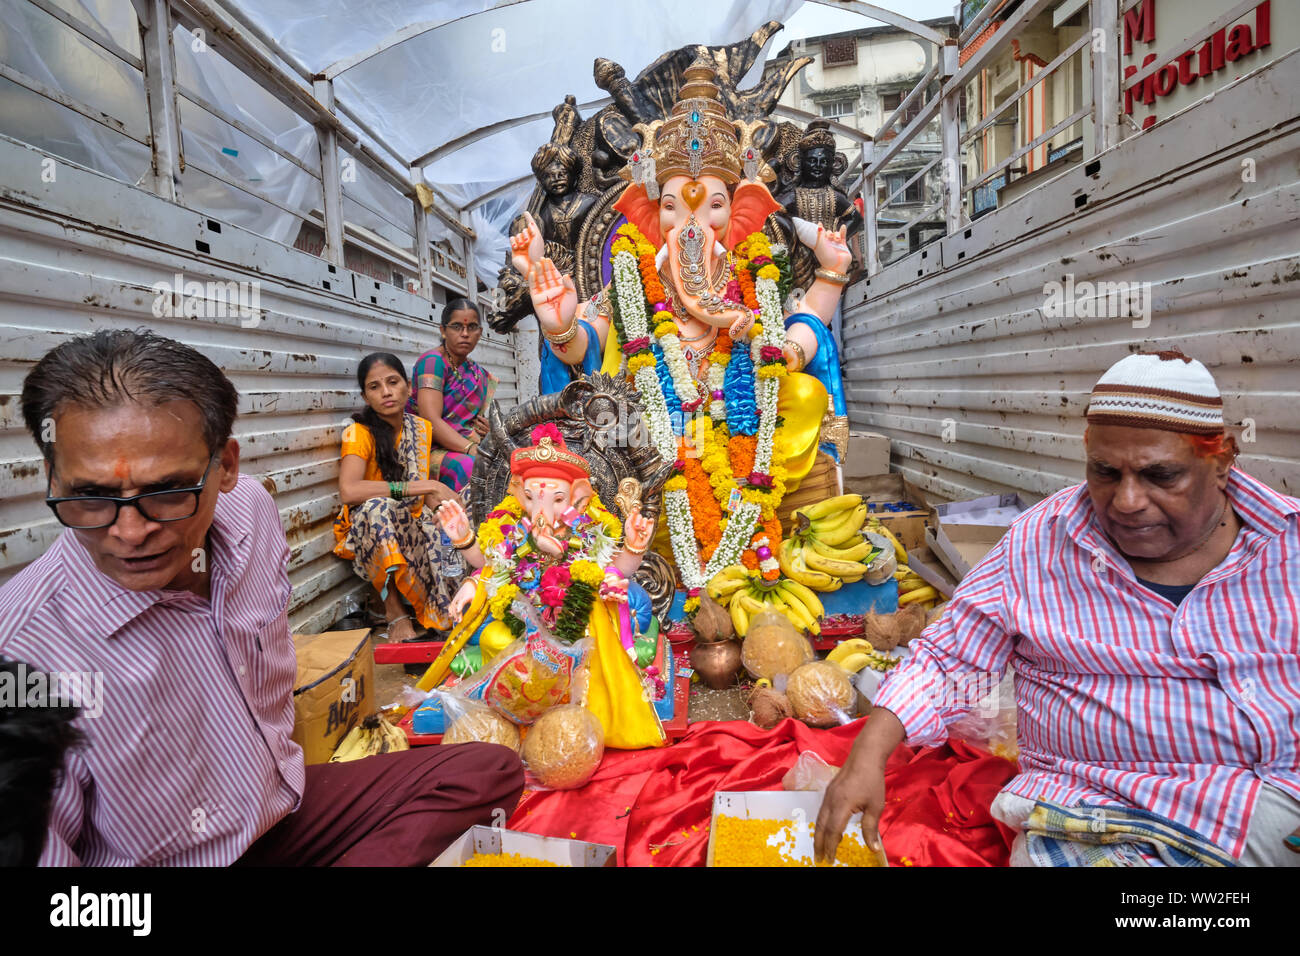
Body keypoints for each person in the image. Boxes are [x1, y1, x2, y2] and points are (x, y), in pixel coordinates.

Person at [0, 329, 522, 865]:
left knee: (486, 771)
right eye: (90, 496)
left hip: (279, 812)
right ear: (52, 476)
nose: (130, 532)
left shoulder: (249, 511)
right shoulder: (22, 650)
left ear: (226, 465)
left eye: (168, 490)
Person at [817, 349, 1299, 867]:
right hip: (1094, 815)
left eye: (1161, 476)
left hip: (1271, 811)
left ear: (1223, 460)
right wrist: (867, 754)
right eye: (1105, 472)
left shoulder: (1287, 545)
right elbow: (949, 658)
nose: (1128, 500)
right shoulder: (1041, 542)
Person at [336, 352, 465, 642]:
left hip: (410, 525)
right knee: (378, 509)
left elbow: (422, 502)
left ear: (408, 386)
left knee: (450, 518)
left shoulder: (419, 428)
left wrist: (452, 507)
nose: (386, 392)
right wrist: (417, 487)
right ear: (365, 396)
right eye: (375, 387)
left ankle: (448, 606)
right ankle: (395, 614)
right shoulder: (358, 433)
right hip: (368, 534)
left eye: (392, 382)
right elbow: (349, 490)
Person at [408, 299, 496, 493]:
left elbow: (471, 421)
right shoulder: (432, 363)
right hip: (429, 450)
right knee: (473, 466)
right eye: (457, 326)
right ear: (443, 330)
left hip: (467, 444)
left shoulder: (476, 372)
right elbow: (429, 420)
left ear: (480, 333)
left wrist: (489, 431)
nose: (465, 334)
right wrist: (469, 448)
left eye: (471, 327)